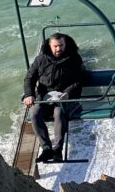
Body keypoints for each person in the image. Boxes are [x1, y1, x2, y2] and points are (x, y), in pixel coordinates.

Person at [22, 33, 83, 163]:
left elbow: (79, 80)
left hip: (64, 97)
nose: (58, 49)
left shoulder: (74, 59)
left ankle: (57, 149)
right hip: (45, 97)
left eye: (61, 45)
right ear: (50, 45)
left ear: (65, 44)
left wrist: (68, 93)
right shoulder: (41, 59)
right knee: (34, 114)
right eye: (55, 46)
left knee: (59, 112)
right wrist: (29, 94)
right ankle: (46, 149)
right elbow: (29, 78)